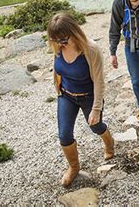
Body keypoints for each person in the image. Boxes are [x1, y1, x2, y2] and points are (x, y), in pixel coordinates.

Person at [48, 12, 114, 187]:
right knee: (64, 135)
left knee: (96, 126)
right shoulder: (57, 46)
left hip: (88, 96)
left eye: (63, 40)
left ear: (74, 32)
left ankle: (109, 143)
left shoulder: (91, 49)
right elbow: (58, 69)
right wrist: (58, 88)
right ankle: (74, 167)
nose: (60, 44)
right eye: (56, 40)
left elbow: (99, 81)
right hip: (67, 96)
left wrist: (96, 109)